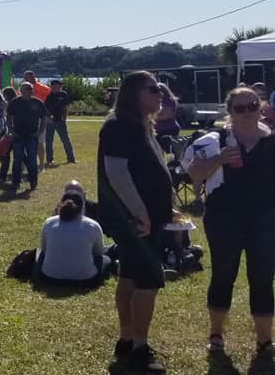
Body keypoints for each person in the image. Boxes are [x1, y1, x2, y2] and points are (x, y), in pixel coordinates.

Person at [182, 86, 275, 355]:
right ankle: (216, 334)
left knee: (263, 278)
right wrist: (219, 159)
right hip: (224, 217)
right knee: (223, 275)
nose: (247, 112)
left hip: (265, 219)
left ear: (261, 107)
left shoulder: (272, 140)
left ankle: (265, 340)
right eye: (240, 108)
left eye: (253, 105)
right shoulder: (216, 140)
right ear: (230, 111)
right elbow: (194, 174)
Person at [98, 70, 172, 373]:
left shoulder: (139, 124)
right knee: (149, 280)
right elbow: (117, 174)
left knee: (129, 275)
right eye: (153, 89)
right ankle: (140, 347)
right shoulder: (119, 125)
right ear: (134, 94)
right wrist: (141, 212)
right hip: (136, 218)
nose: (160, 94)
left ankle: (127, 339)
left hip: (141, 216)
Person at [36, 191, 108, 287]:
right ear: (82, 207)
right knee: (106, 259)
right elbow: (98, 252)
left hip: (50, 278)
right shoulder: (92, 225)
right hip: (85, 280)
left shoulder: (49, 222)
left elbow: (44, 250)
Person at [7, 82, 49, 192]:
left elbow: (44, 117)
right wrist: (11, 131)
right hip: (18, 134)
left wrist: (40, 131)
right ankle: (16, 182)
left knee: (32, 159)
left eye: (31, 89)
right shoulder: (15, 102)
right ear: (21, 91)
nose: (31, 91)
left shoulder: (37, 102)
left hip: (32, 135)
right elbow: (9, 116)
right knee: (17, 159)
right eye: (28, 89)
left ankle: (33, 181)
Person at [45, 79, 76, 165]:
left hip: (60, 121)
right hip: (50, 121)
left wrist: (64, 118)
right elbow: (45, 109)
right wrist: (48, 118)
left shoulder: (63, 95)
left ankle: (71, 158)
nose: (54, 87)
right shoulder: (49, 96)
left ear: (60, 86)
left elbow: (65, 107)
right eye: (53, 85)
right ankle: (49, 160)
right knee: (49, 141)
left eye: (56, 85)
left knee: (65, 140)